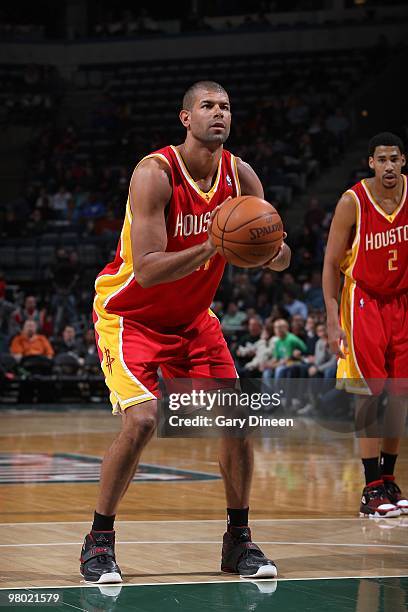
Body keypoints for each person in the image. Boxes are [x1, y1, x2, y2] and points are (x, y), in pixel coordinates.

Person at [80, 81, 291, 584]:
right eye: (208, 107)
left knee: (239, 418)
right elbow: (149, 269)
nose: (218, 115)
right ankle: (98, 541)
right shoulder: (154, 174)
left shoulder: (241, 176)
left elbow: (278, 254)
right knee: (144, 420)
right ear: (185, 117)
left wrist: (267, 249)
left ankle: (238, 540)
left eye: (225, 108)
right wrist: (217, 244)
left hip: (194, 318)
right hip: (131, 314)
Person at [323, 132, 408, 518]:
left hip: (402, 301)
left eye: (394, 159)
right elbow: (330, 263)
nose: (388, 166)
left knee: (400, 394)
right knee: (370, 395)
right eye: (381, 160)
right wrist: (330, 316)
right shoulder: (352, 201)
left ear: (403, 161)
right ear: (371, 163)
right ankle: (370, 486)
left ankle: (389, 479)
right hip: (363, 302)